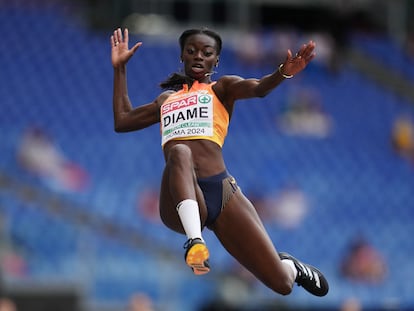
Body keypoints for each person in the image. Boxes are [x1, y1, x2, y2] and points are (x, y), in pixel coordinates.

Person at [110, 27, 329, 297]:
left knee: (282, 285)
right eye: (191, 51)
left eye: (207, 52)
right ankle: (195, 243)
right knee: (180, 152)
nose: (198, 57)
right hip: (179, 196)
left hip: (222, 191)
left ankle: (291, 266)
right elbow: (122, 120)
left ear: (217, 60)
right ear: (182, 57)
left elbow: (259, 89)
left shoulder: (222, 88)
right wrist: (120, 69)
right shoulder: (166, 100)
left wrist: (283, 72)